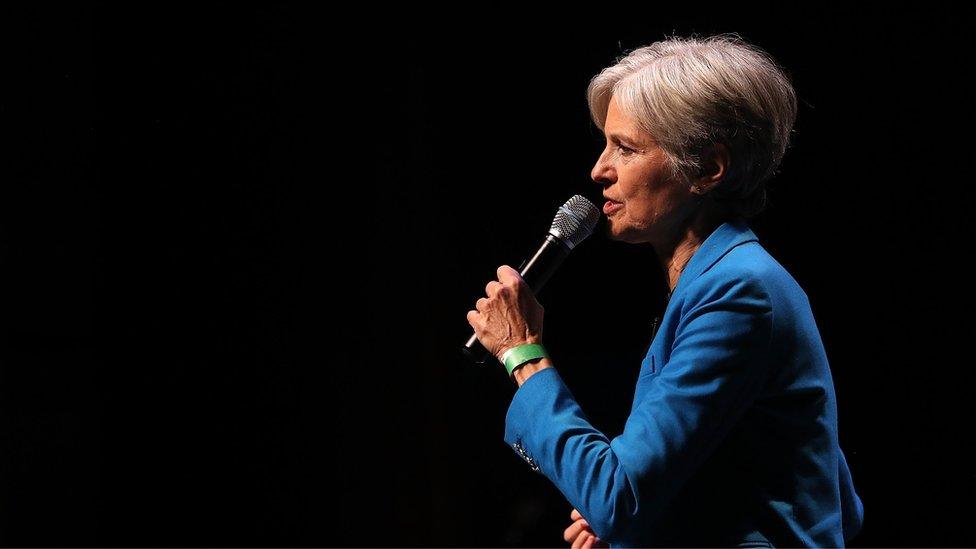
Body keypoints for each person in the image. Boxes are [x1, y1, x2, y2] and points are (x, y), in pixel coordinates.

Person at [465, 35, 864, 547]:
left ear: (707, 169)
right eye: (605, 144)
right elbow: (820, 488)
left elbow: (617, 497)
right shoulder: (719, 282)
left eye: (626, 149)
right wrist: (658, 518)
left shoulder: (737, 293)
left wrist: (522, 352)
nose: (598, 170)